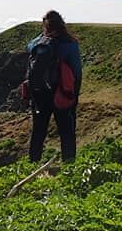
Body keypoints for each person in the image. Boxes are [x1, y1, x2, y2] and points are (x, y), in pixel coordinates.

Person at [25, 10, 82, 162]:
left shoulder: (37, 43)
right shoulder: (70, 44)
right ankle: (69, 167)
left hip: (39, 94)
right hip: (61, 93)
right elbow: (77, 72)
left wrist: (43, 34)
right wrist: (74, 96)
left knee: (38, 132)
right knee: (67, 132)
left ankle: (32, 164)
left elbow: (28, 47)